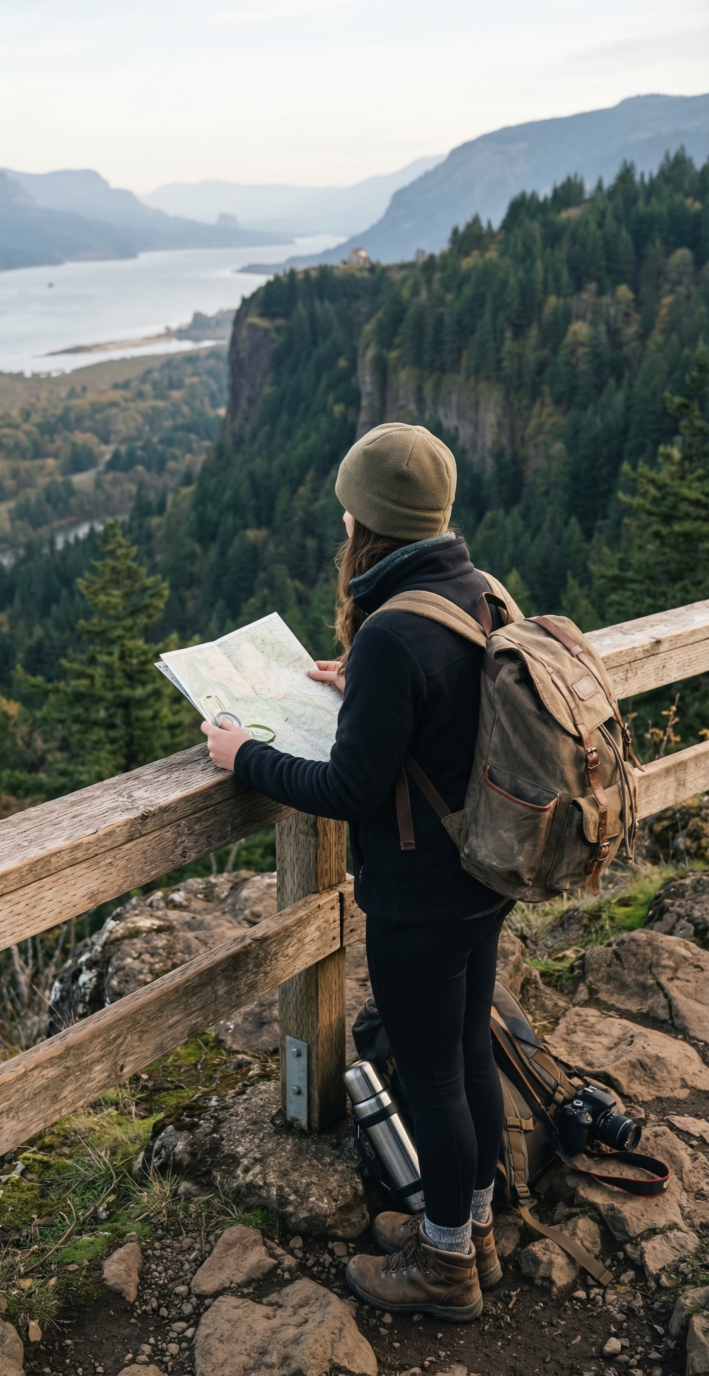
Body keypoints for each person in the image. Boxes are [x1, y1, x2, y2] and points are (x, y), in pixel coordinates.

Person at [202, 421, 510, 1323]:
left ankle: (446, 1265)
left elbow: (347, 788)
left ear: (366, 524)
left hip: (421, 897)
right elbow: (447, 716)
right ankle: (476, 1226)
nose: (341, 522)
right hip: (484, 875)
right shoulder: (477, 592)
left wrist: (242, 753)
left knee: (437, 1078)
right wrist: (362, 693)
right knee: (468, 1055)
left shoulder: (390, 631)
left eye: (348, 508)